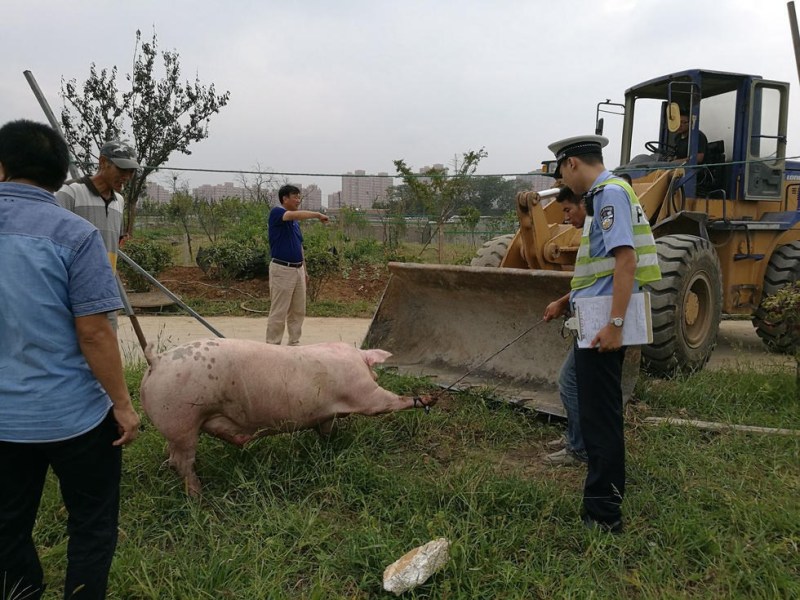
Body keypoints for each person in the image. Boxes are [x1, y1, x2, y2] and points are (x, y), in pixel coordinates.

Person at [0, 120, 141, 599]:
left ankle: (22, 591)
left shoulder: (112, 207)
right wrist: (122, 403)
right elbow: (94, 332)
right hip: (74, 415)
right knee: (92, 524)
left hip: (3, 420)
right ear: (64, 174)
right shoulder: (72, 230)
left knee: (7, 526)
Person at [548, 134, 661, 533]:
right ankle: (600, 507)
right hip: (593, 316)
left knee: (601, 421)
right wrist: (566, 300)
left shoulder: (609, 195)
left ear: (573, 164)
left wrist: (613, 326)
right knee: (600, 416)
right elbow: (599, 270)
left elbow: (625, 262)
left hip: (601, 324)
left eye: (562, 169)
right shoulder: (605, 196)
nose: (564, 178)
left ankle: (603, 517)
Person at [55, 140, 139, 329]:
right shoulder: (70, 193)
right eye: (121, 169)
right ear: (102, 162)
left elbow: (113, 245)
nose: (126, 176)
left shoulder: (119, 201)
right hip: (71, 294)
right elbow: (52, 244)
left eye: (131, 172)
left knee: (105, 351)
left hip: (105, 293)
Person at [543, 186, 588, 467]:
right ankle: (576, 436)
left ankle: (579, 448)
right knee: (575, 383)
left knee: (569, 382)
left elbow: (603, 279)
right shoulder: (591, 232)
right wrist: (563, 301)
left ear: (583, 203)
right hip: (587, 315)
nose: (567, 218)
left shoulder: (600, 231)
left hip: (597, 321)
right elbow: (588, 280)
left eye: (569, 211)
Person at [266, 184, 329, 345]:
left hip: (298, 269)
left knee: (298, 310)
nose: (298, 200)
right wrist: (317, 214)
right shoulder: (277, 213)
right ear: (284, 199)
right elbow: (296, 215)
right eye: (295, 197)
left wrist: (304, 271)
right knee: (279, 311)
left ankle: (294, 343)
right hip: (282, 269)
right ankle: (273, 345)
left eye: (299, 197)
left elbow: (299, 246)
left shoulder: (295, 224)